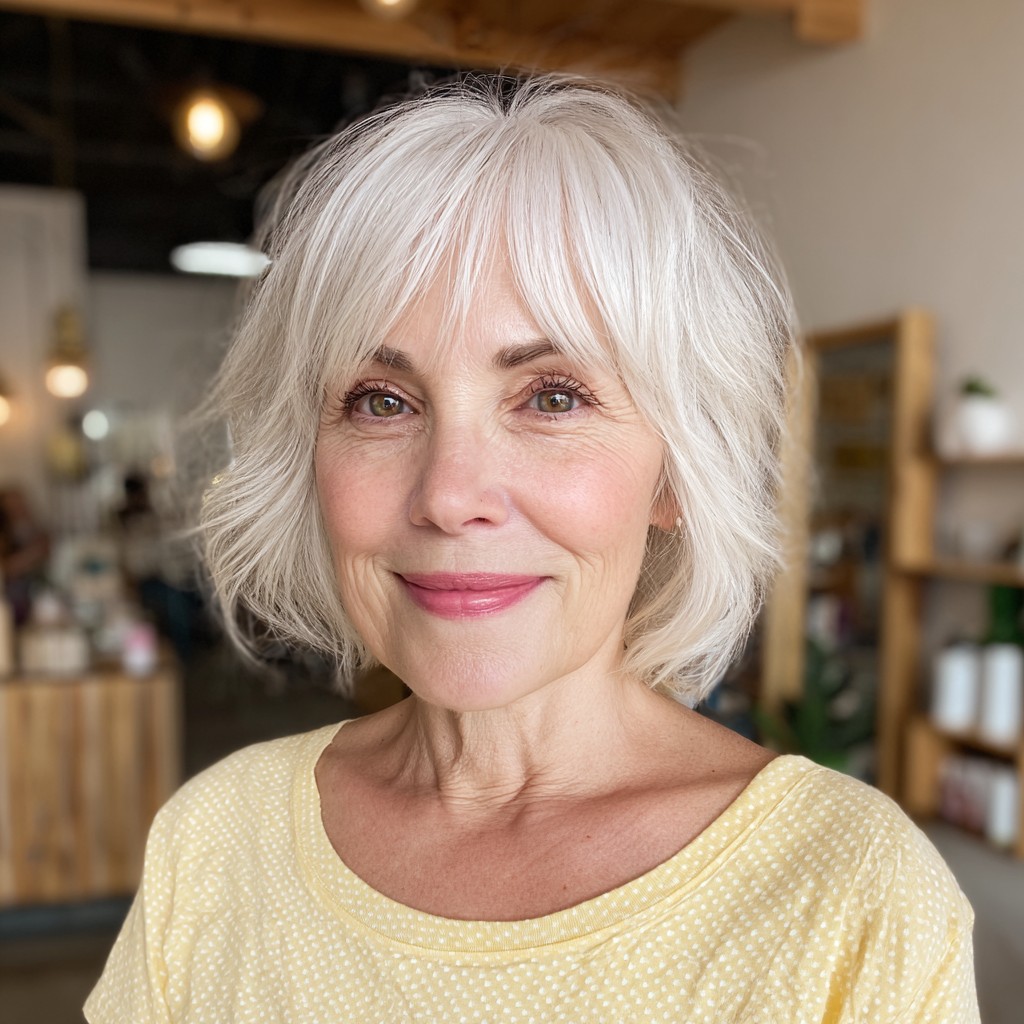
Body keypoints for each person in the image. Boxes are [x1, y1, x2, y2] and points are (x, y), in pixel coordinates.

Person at [85, 76, 978, 1023]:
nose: (449, 495)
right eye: (382, 402)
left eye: (553, 396)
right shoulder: (217, 843)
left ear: (677, 471)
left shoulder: (850, 901)